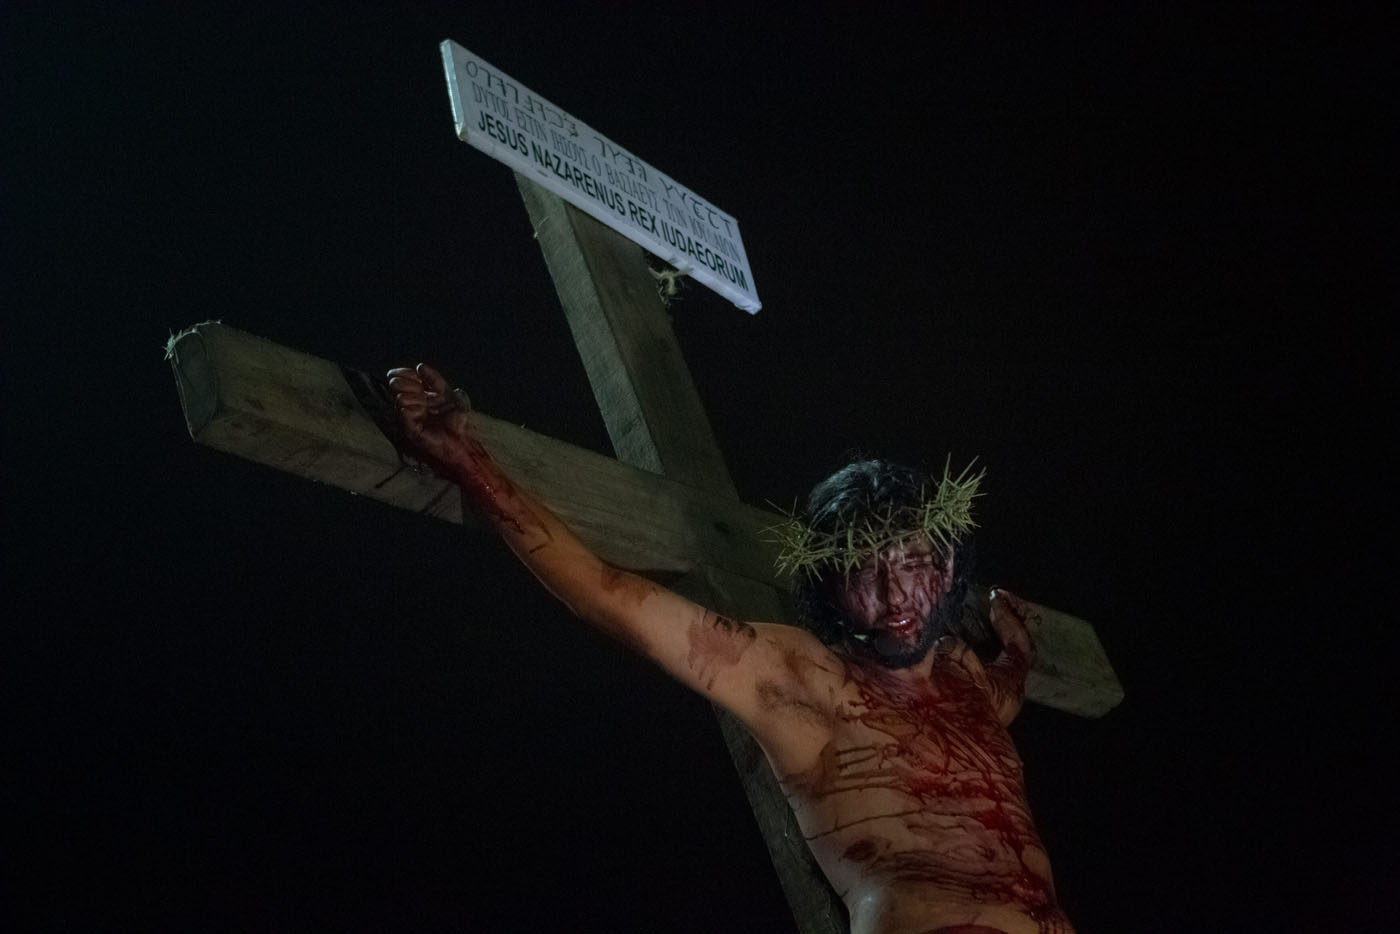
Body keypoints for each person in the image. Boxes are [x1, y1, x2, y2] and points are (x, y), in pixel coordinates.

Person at [386, 362, 1074, 934]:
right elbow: (609, 593)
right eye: (865, 572)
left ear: (949, 569)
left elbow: (1004, 691)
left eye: (913, 564)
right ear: (829, 587)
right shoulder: (799, 677)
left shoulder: (968, 683)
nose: (895, 597)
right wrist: (467, 460)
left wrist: (1015, 649)